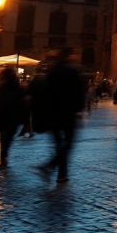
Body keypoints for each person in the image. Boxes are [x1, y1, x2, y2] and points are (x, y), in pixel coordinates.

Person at [34, 48, 86, 184]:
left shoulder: (52, 71)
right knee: (68, 144)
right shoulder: (72, 71)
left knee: (59, 145)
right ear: (69, 56)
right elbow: (79, 92)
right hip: (68, 113)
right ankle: (52, 168)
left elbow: (45, 92)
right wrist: (79, 110)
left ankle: (61, 174)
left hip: (53, 113)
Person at [0, 67, 27, 170]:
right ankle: (4, 160)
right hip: (13, 118)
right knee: (8, 140)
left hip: (3, 117)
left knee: (3, 140)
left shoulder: (2, 87)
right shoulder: (18, 88)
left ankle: (3, 161)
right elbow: (22, 104)